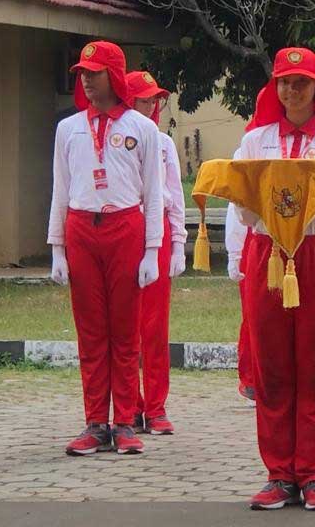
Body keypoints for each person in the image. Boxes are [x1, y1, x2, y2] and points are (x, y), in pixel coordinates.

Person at [231, 47, 315, 511]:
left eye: (302, 83)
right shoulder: (255, 140)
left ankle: (313, 472)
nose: (292, 91)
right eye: (284, 82)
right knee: (272, 367)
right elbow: (244, 210)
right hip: (269, 255)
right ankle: (278, 473)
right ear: (275, 88)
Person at [49, 41, 164, 458]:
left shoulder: (142, 128)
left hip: (125, 226)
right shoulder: (69, 128)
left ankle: (126, 421)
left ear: (114, 77)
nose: (85, 80)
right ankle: (96, 421)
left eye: (94, 73)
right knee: (91, 330)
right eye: (82, 73)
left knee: (125, 329)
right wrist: (57, 248)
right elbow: (60, 190)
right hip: (81, 226)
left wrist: (153, 250)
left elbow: (154, 194)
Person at [124, 71, 188, 436]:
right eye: (145, 100)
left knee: (155, 324)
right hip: (127, 225)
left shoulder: (163, 143)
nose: (153, 107)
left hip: (159, 228)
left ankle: (157, 406)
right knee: (127, 322)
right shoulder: (122, 137)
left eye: (155, 101)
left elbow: (175, 193)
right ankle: (130, 405)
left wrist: (178, 242)